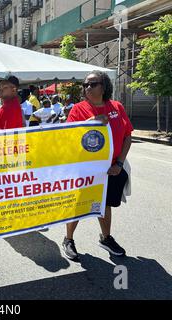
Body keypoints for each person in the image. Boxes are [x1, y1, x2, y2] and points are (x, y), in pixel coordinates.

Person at [62, 70, 133, 261]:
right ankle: (68, 239)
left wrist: (119, 163)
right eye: (85, 84)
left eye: (92, 84)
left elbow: (127, 136)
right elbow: (69, 136)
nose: (87, 88)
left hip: (112, 168)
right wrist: (91, 121)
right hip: (86, 169)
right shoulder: (78, 109)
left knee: (105, 204)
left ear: (104, 86)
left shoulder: (116, 107)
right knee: (78, 204)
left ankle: (106, 238)